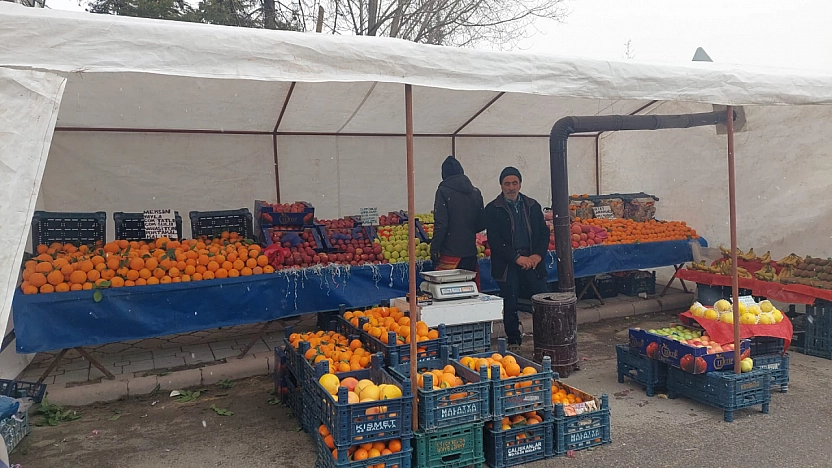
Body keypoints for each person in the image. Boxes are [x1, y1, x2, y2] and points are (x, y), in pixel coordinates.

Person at [485, 166, 550, 348]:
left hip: (532, 260)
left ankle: (544, 337)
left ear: (520, 184)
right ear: (501, 186)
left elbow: (544, 234)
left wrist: (537, 255)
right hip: (507, 263)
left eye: (514, 183)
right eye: (507, 184)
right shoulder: (493, 209)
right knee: (510, 301)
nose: (511, 187)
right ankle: (514, 340)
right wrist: (516, 258)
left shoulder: (532, 206)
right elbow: (495, 241)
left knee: (541, 298)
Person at [430, 156, 485, 288]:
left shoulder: (443, 191)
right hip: (470, 253)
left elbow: (441, 224)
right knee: (468, 290)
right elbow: (482, 223)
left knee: (449, 291)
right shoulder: (475, 192)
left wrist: (434, 248)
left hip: (450, 254)